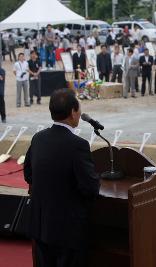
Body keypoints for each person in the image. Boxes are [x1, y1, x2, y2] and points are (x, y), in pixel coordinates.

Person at [24, 89, 100, 267]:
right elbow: (90, 188)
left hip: (41, 225)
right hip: (67, 230)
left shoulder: (38, 138)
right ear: (73, 112)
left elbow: (28, 174)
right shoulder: (78, 145)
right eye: (79, 109)